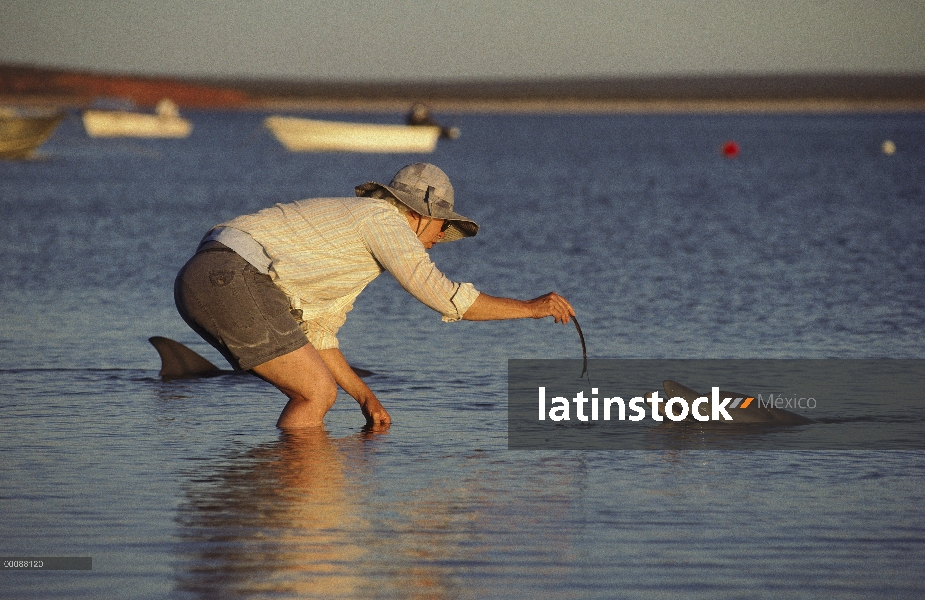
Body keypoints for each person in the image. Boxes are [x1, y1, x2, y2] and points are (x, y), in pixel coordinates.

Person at [174, 163, 575, 429]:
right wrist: (531, 308)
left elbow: (319, 335)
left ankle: (288, 497)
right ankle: (293, 499)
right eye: (440, 228)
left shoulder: (356, 238)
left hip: (203, 276)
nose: (439, 239)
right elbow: (445, 297)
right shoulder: (383, 220)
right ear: (418, 214)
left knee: (314, 390)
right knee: (315, 392)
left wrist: (366, 399)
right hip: (231, 277)